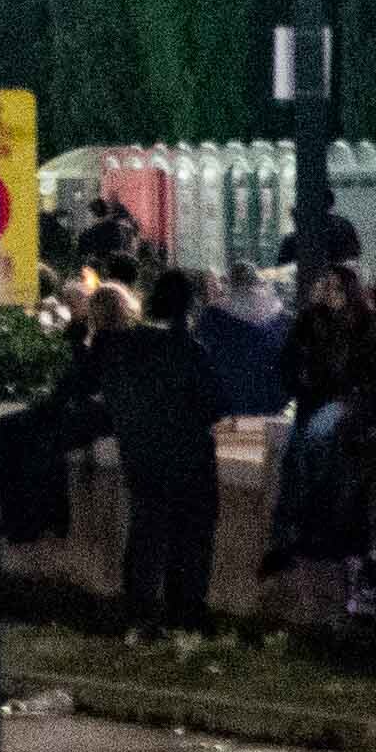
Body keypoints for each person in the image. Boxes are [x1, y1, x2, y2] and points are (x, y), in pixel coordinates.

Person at [105, 268, 230, 637]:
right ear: (189, 304)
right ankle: (185, 614)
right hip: (189, 458)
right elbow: (215, 404)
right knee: (191, 537)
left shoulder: (125, 345)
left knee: (146, 533)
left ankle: (140, 614)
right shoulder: (188, 348)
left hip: (141, 456)